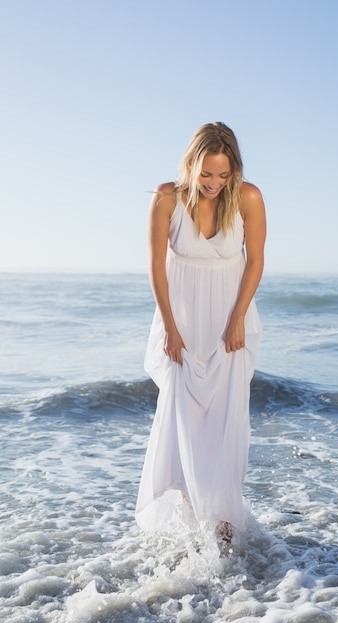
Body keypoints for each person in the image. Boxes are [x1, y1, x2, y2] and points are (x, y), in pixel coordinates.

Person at [135, 122, 266, 542]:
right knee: (184, 422)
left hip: (231, 320)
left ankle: (225, 524)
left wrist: (238, 319)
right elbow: (157, 269)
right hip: (183, 324)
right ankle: (195, 521)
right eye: (206, 174)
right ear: (190, 165)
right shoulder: (167, 199)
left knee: (226, 421)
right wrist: (170, 330)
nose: (214, 184)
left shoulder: (247, 198)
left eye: (223, 175)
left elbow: (256, 262)